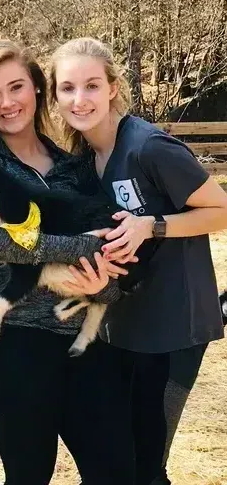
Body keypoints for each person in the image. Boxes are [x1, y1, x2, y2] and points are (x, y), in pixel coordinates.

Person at [0, 39, 137, 485]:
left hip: (83, 341)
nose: (7, 103)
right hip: (15, 344)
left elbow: (111, 261)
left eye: (17, 87)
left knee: (117, 471)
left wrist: (101, 287)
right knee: (29, 475)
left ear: (37, 88)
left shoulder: (77, 166)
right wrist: (75, 248)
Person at [50, 36, 227, 485]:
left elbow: (221, 209)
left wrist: (153, 224)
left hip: (174, 329)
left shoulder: (150, 148)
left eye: (91, 85)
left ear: (112, 87)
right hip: (121, 325)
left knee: (148, 465)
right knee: (119, 458)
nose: (80, 98)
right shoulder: (85, 157)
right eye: (67, 88)